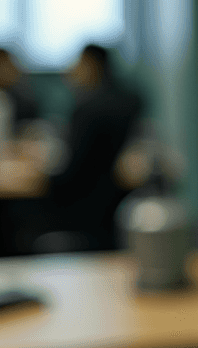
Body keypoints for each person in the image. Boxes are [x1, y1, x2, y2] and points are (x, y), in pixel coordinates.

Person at [46, 45, 144, 251]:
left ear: (92, 65)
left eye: (78, 64)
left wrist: (41, 175)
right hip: (118, 205)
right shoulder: (131, 99)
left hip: (83, 208)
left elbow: (70, 172)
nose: (72, 71)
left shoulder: (88, 109)